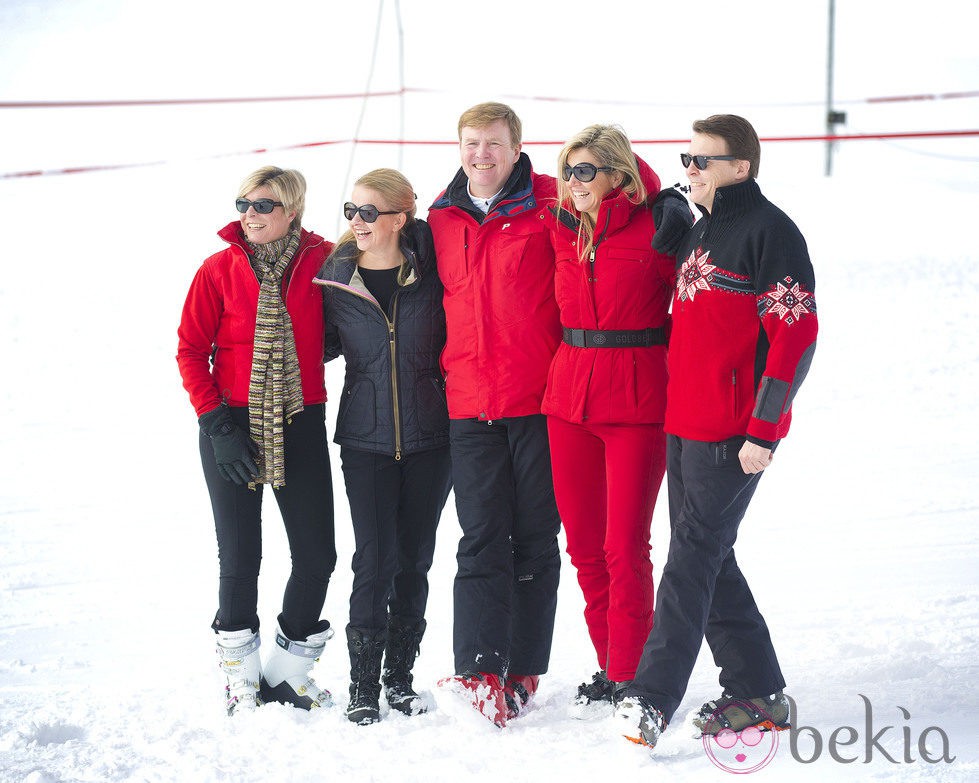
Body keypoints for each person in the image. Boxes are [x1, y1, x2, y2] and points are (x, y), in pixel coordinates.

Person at [617, 115, 818, 750]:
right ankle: (758, 690)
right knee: (709, 554)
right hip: (686, 422)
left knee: (690, 560)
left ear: (741, 168)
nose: (690, 169)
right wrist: (669, 239)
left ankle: (651, 701)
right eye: (687, 158)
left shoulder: (772, 232)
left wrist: (766, 427)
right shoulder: (705, 228)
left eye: (703, 160)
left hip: (734, 434)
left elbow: (795, 336)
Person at [177, 166, 337, 715]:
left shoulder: (323, 261)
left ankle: (285, 674)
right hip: (232, 425)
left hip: (300, 418)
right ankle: (240, 679)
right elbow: (191, 351)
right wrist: (217, 425)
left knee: (318, 554)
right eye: (245, 202)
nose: (250, 213)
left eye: (264, 204)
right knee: (241, 556)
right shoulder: (217, 270)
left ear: (292, 210)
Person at [426, 102, 563, 727]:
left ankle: (525, 670)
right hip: (469, 404)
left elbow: (623, 192)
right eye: (471, 143)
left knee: (535, 538)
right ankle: (480, 668)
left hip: (540, 402)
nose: (481, 154)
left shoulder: (551, 202)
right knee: (480, 536)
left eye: (494, 143)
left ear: (516, 148)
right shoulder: (441, 217)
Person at [543, 125, 676, 713]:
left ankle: (633, 672)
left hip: (638, 400)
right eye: (568, 171)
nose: (573, 183)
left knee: (625, 546)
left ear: (617, 175)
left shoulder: (659, 228)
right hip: (568, 398)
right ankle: (610, 664)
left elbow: (696, 308)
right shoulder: (560, 227)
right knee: (584, 546)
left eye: (586, 171)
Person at [314, 168, 452, 725]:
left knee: (415, 561)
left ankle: (400, 678)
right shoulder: (335, 282)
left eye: (368, 213)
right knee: (375, 560)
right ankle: (362, 686)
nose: (356, 222)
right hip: (365, 441)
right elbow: (312, 346)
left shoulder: (434, 274)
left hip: (432, 438)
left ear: (400, 218)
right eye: (351, 211)